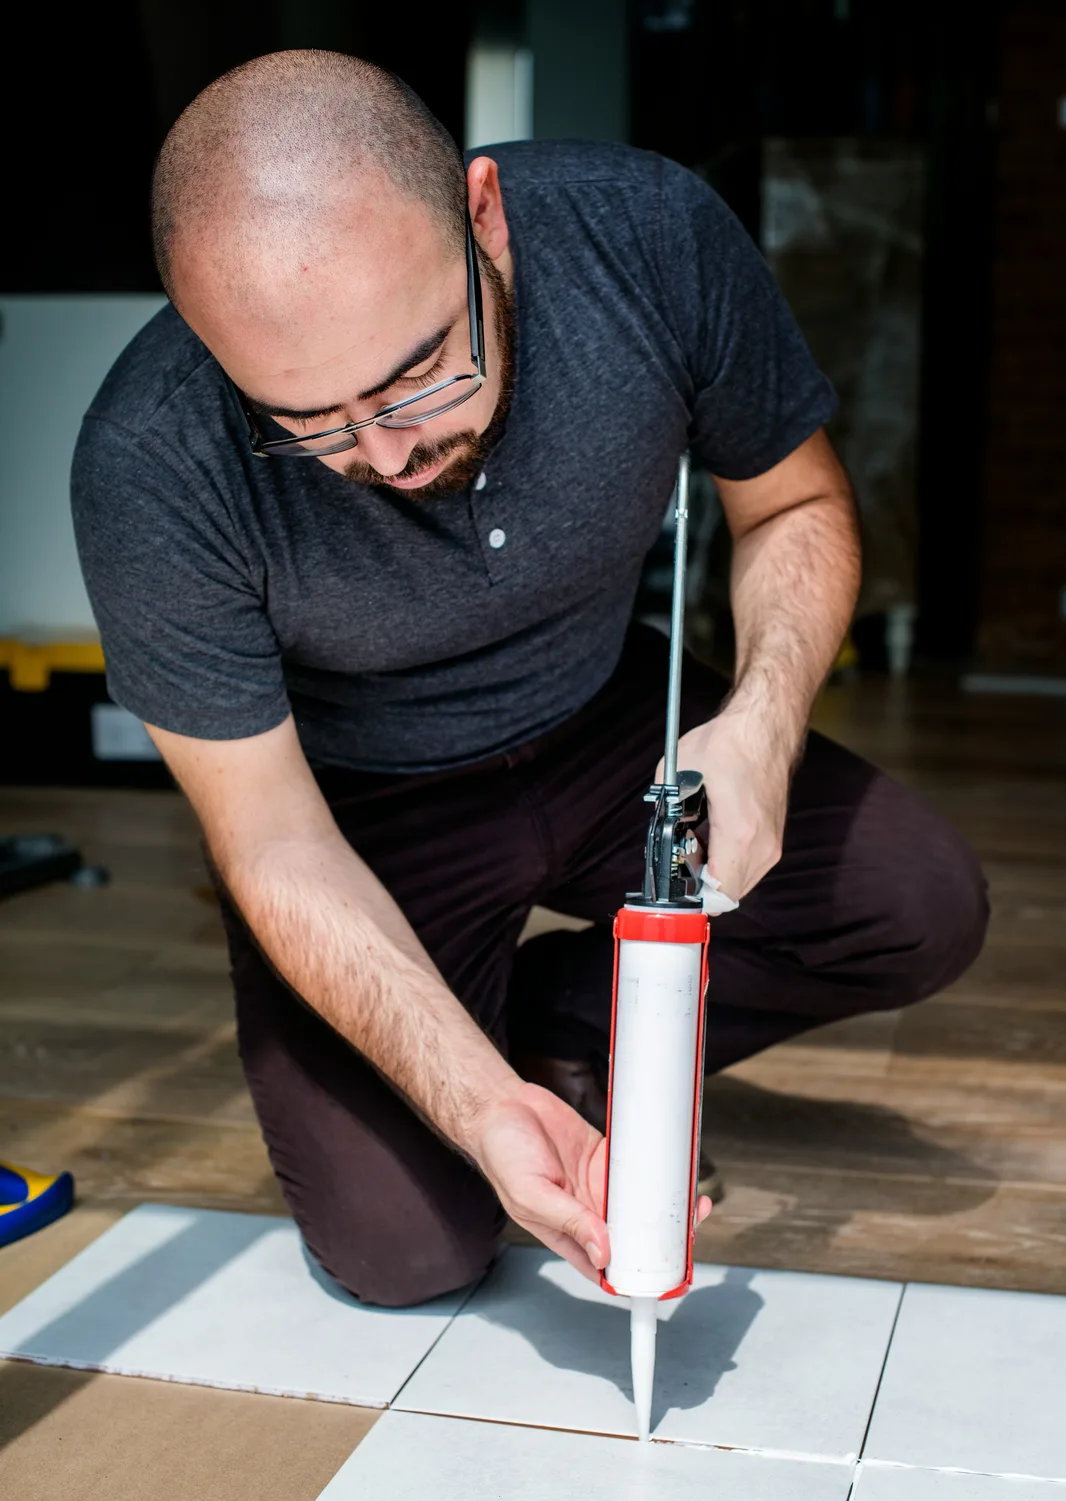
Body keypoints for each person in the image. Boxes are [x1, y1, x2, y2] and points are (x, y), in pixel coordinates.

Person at [72, 51, 987, 1307]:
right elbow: (275, 842)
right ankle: (504, 1050)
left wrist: (762, 725)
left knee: (918, 901)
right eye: (310, 421)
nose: (385, 454)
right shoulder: (149, 458)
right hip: (366, 815)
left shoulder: (646, 235)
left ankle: (567, 1014)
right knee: (410, 1254)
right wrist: (480, 1102)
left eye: (416, 373)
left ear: (484, 217)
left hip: (612, 719)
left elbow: (794, 507)